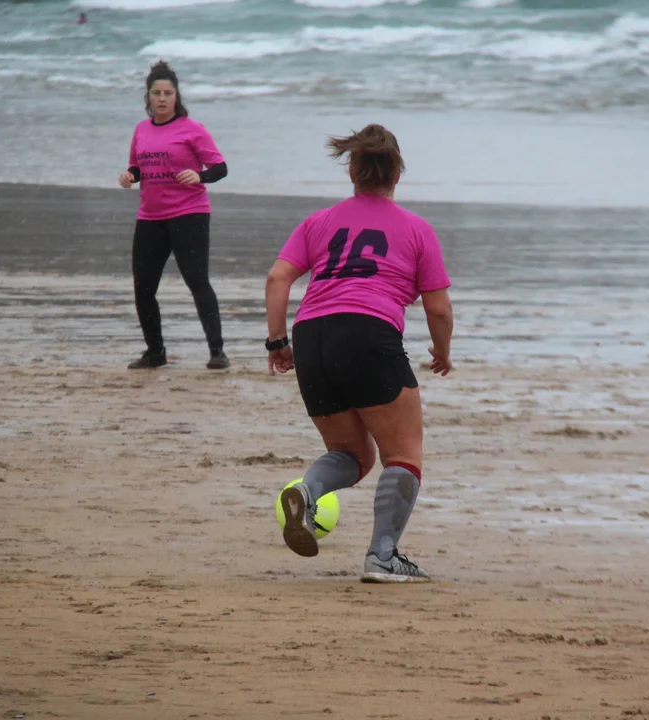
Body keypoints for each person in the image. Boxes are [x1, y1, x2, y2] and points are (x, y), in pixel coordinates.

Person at [264, 123, 454, 583]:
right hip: (368, 333)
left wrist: (278, 343)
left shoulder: (318, 222)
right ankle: (383, 556)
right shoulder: (417, 229)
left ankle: (309, 492)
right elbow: (439, 309)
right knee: (403, 453)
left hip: (312, 335)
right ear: (397, 174)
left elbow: (277, 278)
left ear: (352, 171)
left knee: (353, 456)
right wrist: (442, 351)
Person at [119, 60, 230, 370]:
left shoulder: (192, 129)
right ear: (148, 96)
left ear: (176, 96)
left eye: (168, 93)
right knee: (143, 288)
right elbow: (137, 166)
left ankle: (217, 352)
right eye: (157, 93)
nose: (162, 98)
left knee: (197, 281)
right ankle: (155, 352)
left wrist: (199, 176)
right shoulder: (141, 130)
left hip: (189, 214)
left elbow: (220, 168)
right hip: (150, 217)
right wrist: (129, 175)